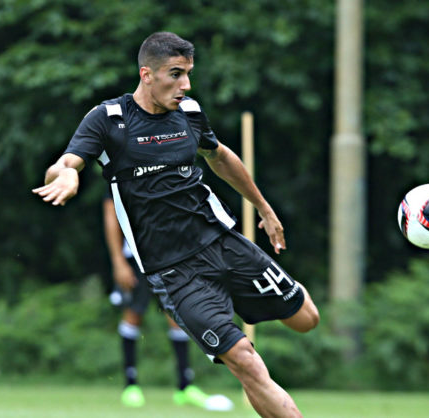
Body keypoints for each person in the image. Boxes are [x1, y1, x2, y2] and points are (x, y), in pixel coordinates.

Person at [33, 31, 320, 417]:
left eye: (188, 74)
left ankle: (234, 297)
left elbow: (220, 157)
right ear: (146, 74)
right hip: (175, 271)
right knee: (245, 361)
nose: (185, 85)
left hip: (222, 241)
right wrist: (66, 174)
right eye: (175, 74)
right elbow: (64, 163)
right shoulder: (109, 119)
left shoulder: (190, 112)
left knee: (307, 320)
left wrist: (265, 210)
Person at [103, 194, 233, 410]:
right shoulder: (120, 175)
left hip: (170, 255)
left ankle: (185, 387)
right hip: (135, 257)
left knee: (177, 317)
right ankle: (130, 386)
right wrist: (118, 261)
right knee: (133, 314)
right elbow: (110, 215)